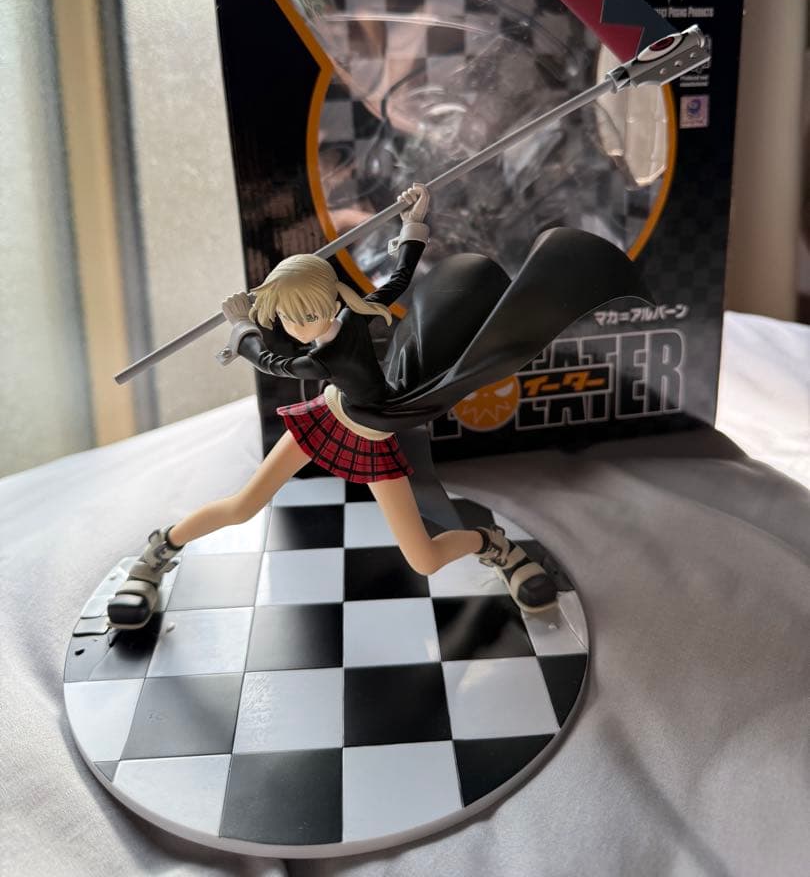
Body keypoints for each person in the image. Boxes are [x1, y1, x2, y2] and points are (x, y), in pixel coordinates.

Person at [108, 184, 558, 630]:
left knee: (424, 559)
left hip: (372, 440)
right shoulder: (355, 312)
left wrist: (243, 327)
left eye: (304, 316)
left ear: (330, 302)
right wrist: (412, 225)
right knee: (244, 505)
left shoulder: (327, 354)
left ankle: (493, 544)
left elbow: (271, 362)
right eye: (287, 317)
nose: (295, 327)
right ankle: (158, 551)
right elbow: (399, 276)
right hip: (327, 420)